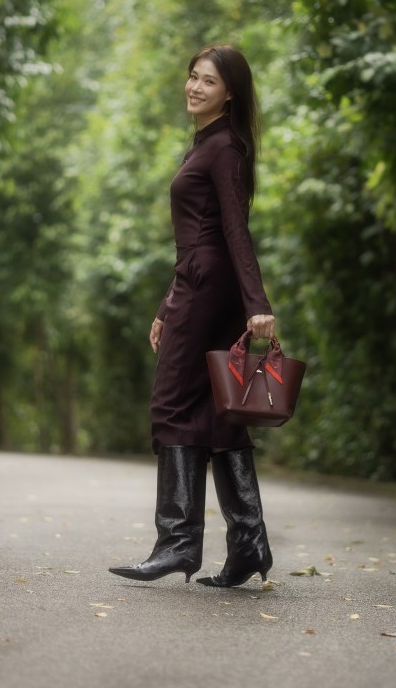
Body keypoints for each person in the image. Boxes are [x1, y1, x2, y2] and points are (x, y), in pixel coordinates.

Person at [109, 44, 275, 588]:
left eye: (209, 81)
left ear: (230, 94)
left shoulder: (224, 147)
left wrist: (258, 305)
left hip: (208, 289)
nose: (195, 87)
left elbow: (233, 231)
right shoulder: (207, 144)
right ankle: (248, 544)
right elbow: (195, 239)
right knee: (218, 411)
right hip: (200, 284)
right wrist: (166, 306)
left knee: (172, 403)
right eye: (192, 77)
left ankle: (178, 542)